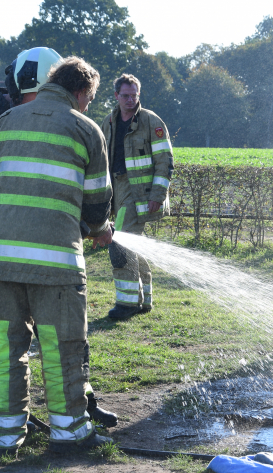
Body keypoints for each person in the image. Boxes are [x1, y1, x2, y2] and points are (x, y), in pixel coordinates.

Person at [0, 48, 117, 431]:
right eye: (90, 100)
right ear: (80, 91)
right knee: (62, 349)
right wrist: (99, 230)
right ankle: (69, 430)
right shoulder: (84, 129)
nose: (89, 107)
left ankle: (6, 436)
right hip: (55, 265)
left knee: (4, 351)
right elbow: (97, 205)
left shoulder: (5, 121)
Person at [101, 74, 173, 320]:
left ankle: (128, 303)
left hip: (139, 193)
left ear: (138, 95)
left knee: (120, 244)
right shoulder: (107, 122)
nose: (130, 100)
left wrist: (158, 194)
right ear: (116, 96)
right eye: (125, 95)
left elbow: (165, 162)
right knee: (133, 243)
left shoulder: (151, 121)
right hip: (117, 188)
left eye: (134, 95)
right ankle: (145, 300)